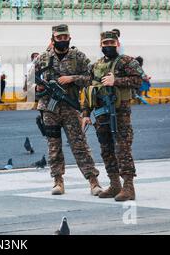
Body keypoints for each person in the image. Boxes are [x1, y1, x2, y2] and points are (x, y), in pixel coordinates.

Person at [33, 24, 102, 196]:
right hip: (49, 109)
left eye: (65, 37)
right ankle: (58, 181)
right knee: (53, 147)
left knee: (80, 145)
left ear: (69, 38)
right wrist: (38, 89)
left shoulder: (78, 57)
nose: (63, 40)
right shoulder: (42, 59)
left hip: (71, 107)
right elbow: (30, 82)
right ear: (53, 39)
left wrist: (72, 78)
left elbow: (92, 78)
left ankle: (93, 181)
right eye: (59, 37)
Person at [82, 31, 143, 202]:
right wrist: (86, 113)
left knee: (122, 149)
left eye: (111, 42)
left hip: (120, 114)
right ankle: (114, 184)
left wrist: (116, 81)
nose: (108, 45)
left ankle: (129, 187)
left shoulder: (127, 61)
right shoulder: (95, 66)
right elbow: (88, 90)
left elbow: (139, 80)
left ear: (117, 43)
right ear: (100, 45)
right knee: (106, 150)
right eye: (105, 43)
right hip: (101, 114)